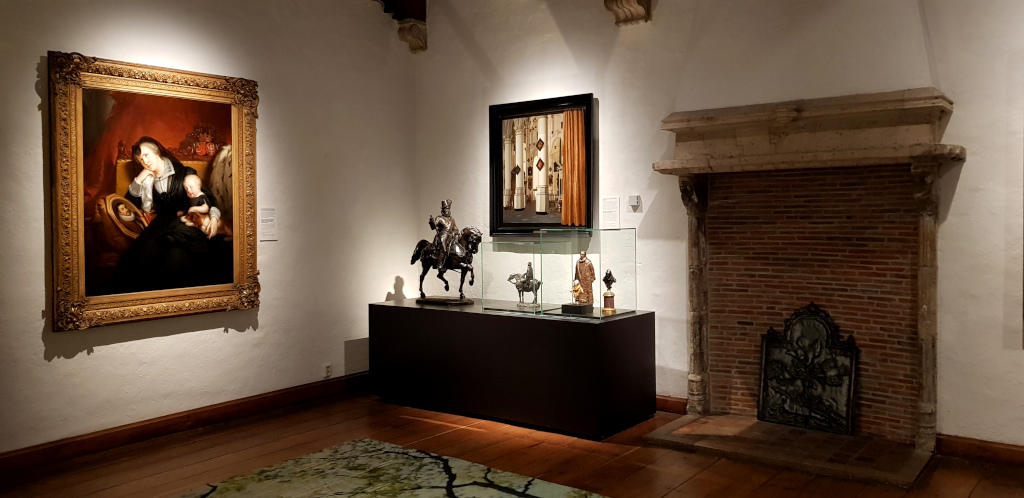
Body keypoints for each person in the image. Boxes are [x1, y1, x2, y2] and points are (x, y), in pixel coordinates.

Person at [109, 136, 232, 294]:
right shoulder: (148, 180)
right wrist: (140, 177)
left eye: (146, 155)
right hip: (161, 224)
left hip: (187, 220)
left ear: (157, 153)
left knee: (178, 257)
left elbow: (208, 199)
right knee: (142, 256)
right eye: (140, 159)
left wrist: (214, 218)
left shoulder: (184, 173)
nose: (144, 161)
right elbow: (128, 204)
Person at [429, 199, 459, 271]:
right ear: (442, 209)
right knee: (444, 249)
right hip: (442, 236)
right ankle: (439, 264)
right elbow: (433, 227)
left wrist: (456, 231)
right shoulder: (439, 218)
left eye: (448, 209)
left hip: (451, 236)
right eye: (445, 209)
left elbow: (455, 228)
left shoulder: (452, 219)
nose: (447, 210)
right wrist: (432, 222)